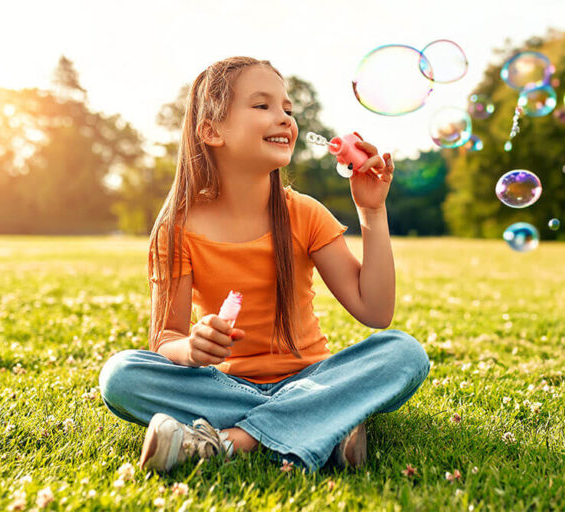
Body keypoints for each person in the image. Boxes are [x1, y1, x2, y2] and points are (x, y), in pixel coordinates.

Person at [98, 56, 431, 474]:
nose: (285, 119)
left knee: (404, 353)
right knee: (121, 375)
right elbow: (166, 339)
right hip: (224, 385)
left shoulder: (305, 213)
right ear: (211, 131)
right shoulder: (176, 229)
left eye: (288, 109)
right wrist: (191, 347)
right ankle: (324, 421)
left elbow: (375, 311)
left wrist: (372, 212)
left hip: (311, 377)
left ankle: (232, 441)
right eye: (263, 106)